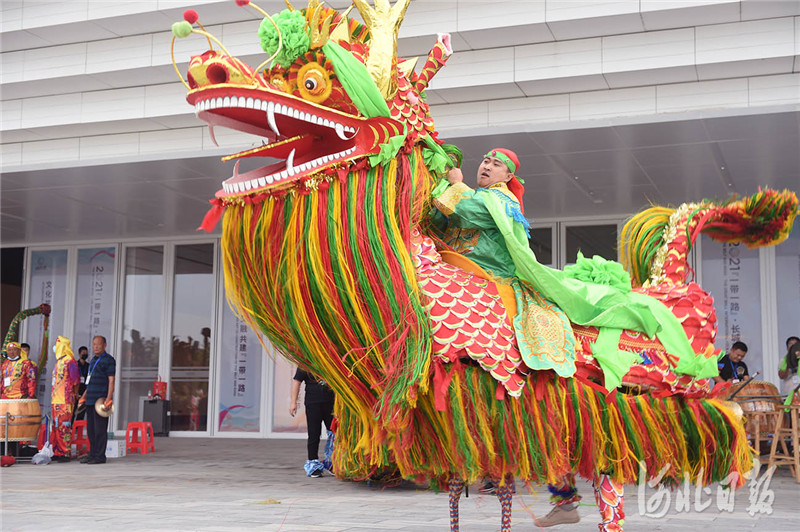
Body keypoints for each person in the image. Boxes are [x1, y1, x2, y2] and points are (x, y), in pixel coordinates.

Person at [290, 367, 335, 477]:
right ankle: (313, 464)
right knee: (314, 434)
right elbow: (297, 382)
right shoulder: (305, 363)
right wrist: (293, 403)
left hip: (331, 404)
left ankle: (332, 462)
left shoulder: (328, 360)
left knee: (335, 433)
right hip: (313, 404)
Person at [78, 336, 116, 464]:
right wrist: (83, 397)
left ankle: (100, 456)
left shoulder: (109, 360)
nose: (96, 347)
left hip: (101, 400)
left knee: (100, 429)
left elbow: (111, 381)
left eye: (98, 344)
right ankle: (93, 454)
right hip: (90, 399)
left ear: (105, 345)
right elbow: (89, 382)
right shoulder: (93, 360)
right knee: (91, 430)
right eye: (94, 344)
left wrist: (109, 399)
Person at [50, 336, 81, 462]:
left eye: (57, 346)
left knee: (64, 426)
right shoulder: (59, 361)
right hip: (56, 400)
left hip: (65, 400)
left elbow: (76, 380)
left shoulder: (70, 361)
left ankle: (65, 452)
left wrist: (74, 395)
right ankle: (57, 451)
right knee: (56, 426)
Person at [74, 346, 90, 420]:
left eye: (86, 353)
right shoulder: (75, 365)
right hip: (76, 391)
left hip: (84, 391)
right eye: (83, 353)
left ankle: (78, 429)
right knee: (73, 410)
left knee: (81, 412)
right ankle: (71, 428)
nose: (85, 355)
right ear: (79, 354)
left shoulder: (88, 366)